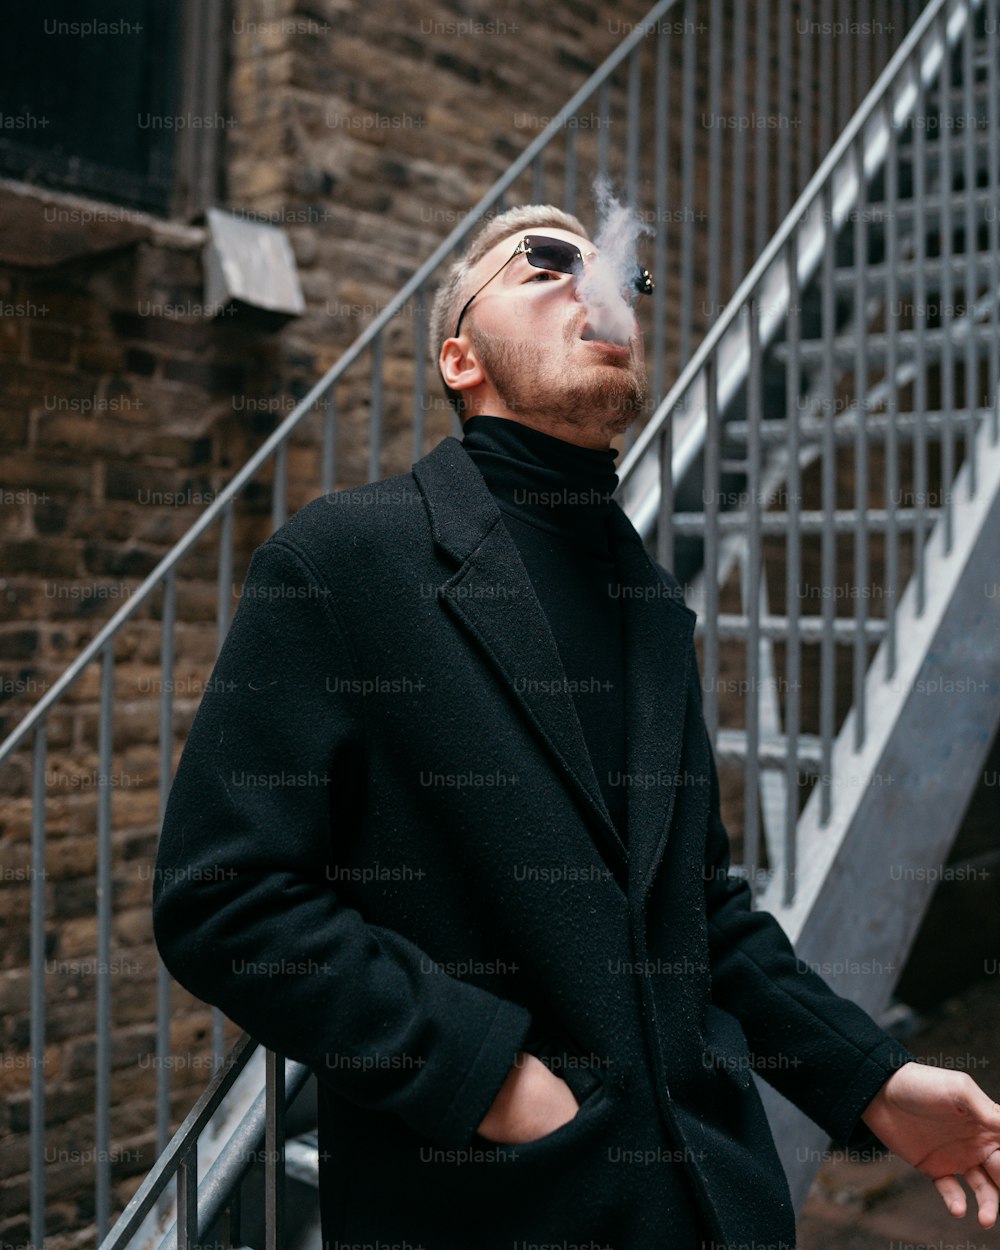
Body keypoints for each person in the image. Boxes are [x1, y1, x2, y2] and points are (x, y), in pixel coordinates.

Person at [152, 203, 1000, 1248]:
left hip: (709, 1205)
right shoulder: (345, 562)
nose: (596, 287)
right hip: (499, 1207)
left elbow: (703, 915)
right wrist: (490, 1076)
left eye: (619, 278)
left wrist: (873, 1080)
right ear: (461, 357)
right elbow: (225, 898)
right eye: (544, 263)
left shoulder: (647, 603)